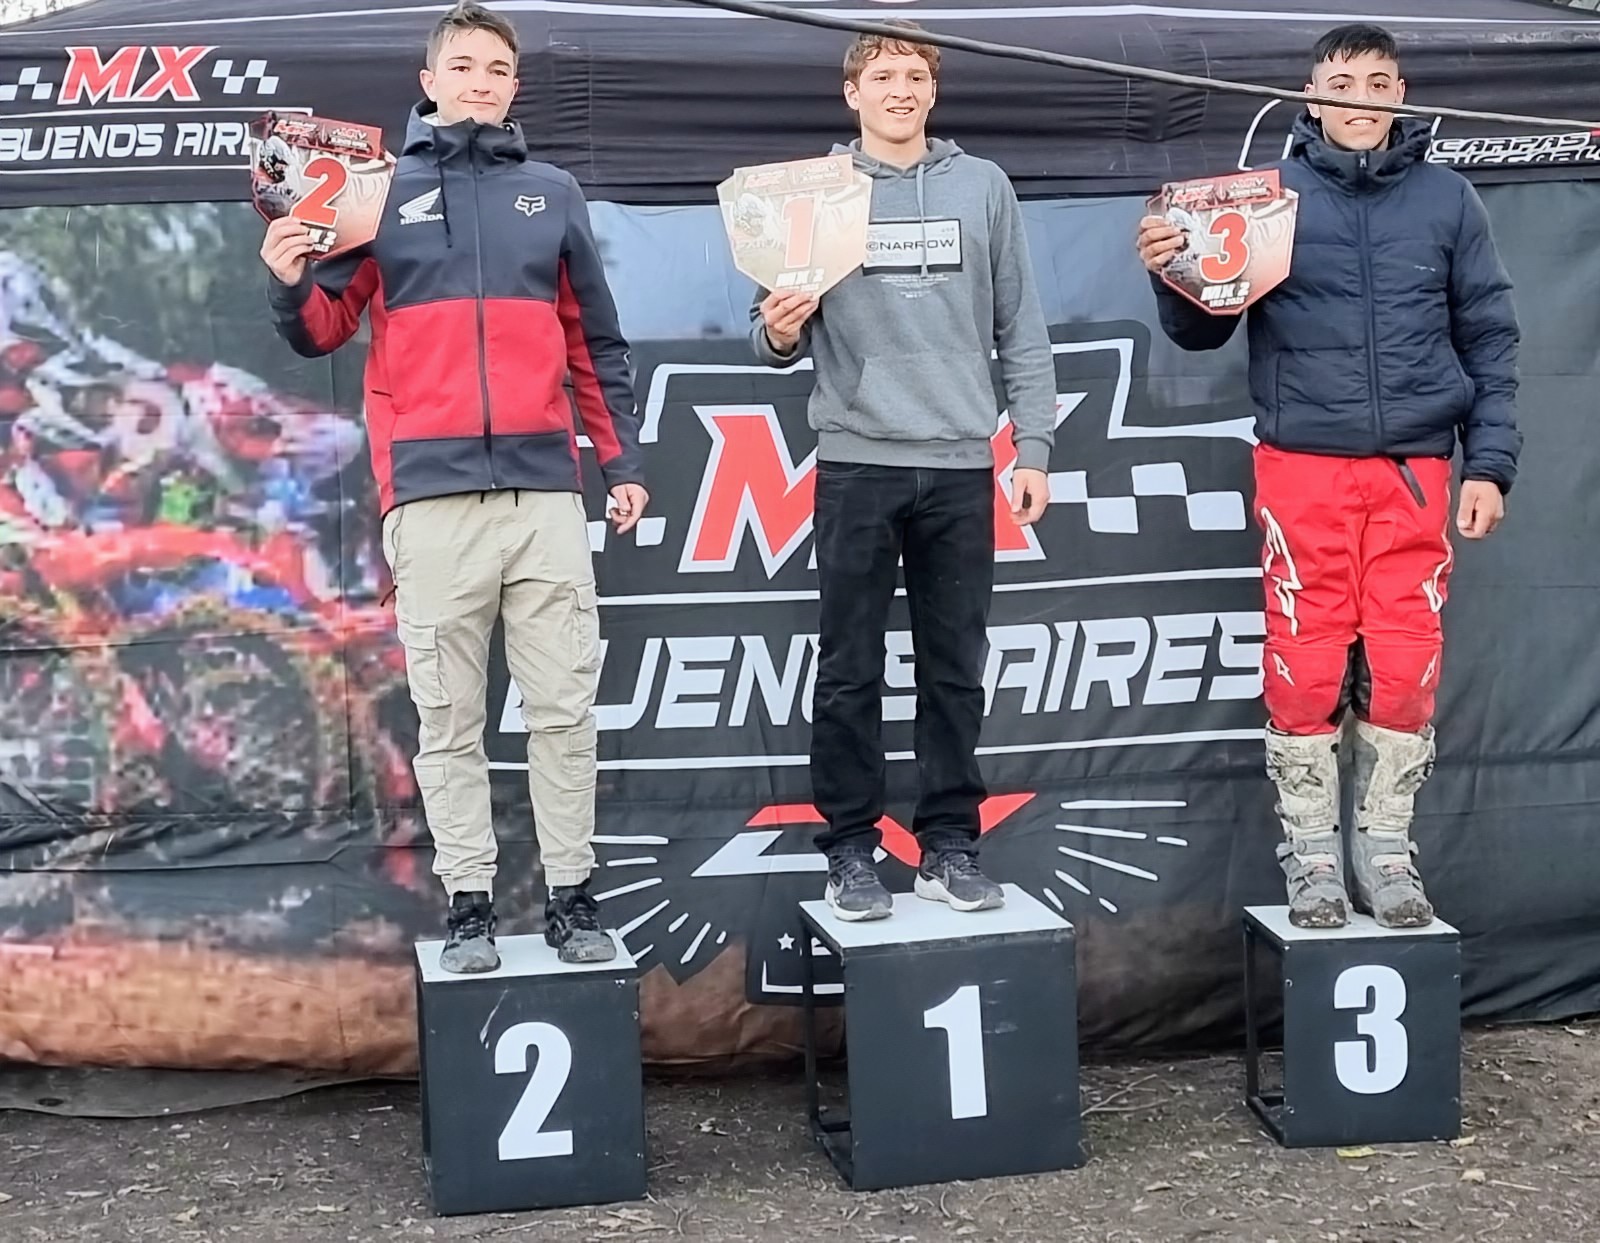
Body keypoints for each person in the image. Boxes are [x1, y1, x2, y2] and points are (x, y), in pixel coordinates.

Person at [261, 2, 647, 970]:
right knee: (449, 721)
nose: (481, 82)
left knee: (564, 712)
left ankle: (573, 897)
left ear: (514, 87)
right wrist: (287, 280)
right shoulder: (373, 190)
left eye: (497, 69)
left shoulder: (552, 193)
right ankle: (469, 904)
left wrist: (621, 462)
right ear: (429, 81)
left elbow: (592, 342)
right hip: (430, 500)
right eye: (464, 66)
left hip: (543, 493)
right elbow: (323, 328)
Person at [1136, 23, 1520, 929]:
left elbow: (1490, 335)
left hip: (1416, 470)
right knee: (1305, 662)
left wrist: (1490, 463)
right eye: (1341, 83)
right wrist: (1170, 271)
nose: (1360, 99)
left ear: (1400, 94)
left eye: (1378, 82)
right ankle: (1311, 856)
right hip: (1302, 465)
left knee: (1405, 664)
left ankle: (1386, 853)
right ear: (1311, 96)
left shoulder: (1449, 199)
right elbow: (1202, 330)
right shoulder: (1265, 199)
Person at [750, 21, 1057, 921]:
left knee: (954, 670)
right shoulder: (814, 190)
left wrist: (1033, 445)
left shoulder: (982, 184)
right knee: (848, 671)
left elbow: (1021, 325)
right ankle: (849, 850)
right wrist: (778, 329)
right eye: (882, 75)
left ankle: (949, 844)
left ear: (932, 89)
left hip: (961, 464)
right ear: (852, 93)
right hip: (857, 461)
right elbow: (769, 332)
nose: (900, 90)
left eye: (915, 74)